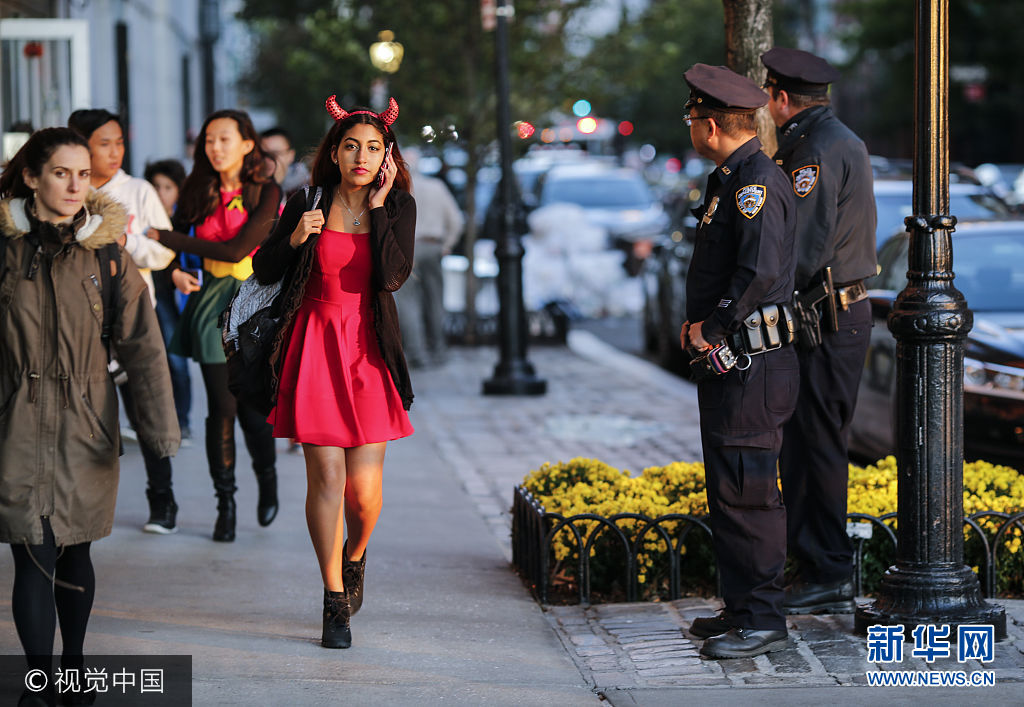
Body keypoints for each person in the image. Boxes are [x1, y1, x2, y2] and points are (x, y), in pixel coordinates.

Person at [0, 127, 179, 704]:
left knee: (74, 547)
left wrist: (157, 429)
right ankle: (37, 683)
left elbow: (143, 347)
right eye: (60, 173)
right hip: (15, 418)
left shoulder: (108, 255)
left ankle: (73, 671)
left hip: (86, 419)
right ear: (31, 176)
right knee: (32, 548)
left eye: (83, 173)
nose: (76, 185)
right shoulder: (4, 251)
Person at [252, 95, 414, 649]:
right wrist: (296, 238)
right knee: (325, 478)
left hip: (368, 349)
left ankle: (356, 555)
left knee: (364, 495)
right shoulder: (306, 201)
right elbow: (265, 267)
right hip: (316, 345)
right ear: (336, 154)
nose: (361, 157)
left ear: (386, 157)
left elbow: (393, 276)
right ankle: (332, 600)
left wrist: (382, 207)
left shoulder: (398, 208)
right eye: (351, 147)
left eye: (373, 148)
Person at [678, 64, 799, 659]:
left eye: (693, 118)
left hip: (753, 362)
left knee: (751, 493)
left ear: (712, 123)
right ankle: (741, 607)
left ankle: (765, 616)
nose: (691, 129)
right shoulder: (728, 180)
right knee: (728, 490)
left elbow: (758, 273)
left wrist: (711, 325)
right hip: (731, 365)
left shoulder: (757, 183)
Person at [760, 47, 878, 614]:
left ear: (782, 98)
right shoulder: (828, 139)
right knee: (808, 445)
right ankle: (815, 563)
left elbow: (801, 248)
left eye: (768, 96)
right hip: (831, 313)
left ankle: (827, 568)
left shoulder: (815, 150)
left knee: (818, 446)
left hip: (828, 316)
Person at [146, 110, 282, 542]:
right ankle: (226, 504)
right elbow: (166, 255)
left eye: (225, 139)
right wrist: (171, 272)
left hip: (253, 306)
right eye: (209, 139)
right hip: (208, 306)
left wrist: (167, 239)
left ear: (247, 144)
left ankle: (267, 476)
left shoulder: (266, 189)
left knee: (252, 411)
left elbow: (238, 247)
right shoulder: (196, 190)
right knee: (220, 409)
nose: (215, 147)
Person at [68, 109, 182, 535]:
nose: (115, 152)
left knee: (146, 407)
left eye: (119, 142)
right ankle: (84, 505)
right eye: (104, 143)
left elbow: (163, 252)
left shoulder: (138, 190)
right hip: (80, 323)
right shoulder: (69, 190)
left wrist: (125, 241)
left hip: (133, 318)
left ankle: (163, 500)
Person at [394, 151, 463, 368]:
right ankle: (438, 349)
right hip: (433, 246)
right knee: (435, 300)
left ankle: (417, 352)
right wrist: (447, 245)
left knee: (407, 301)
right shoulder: (437, 188)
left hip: (407, 249)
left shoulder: (397, 190)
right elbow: (457, 220)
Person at [144, 159, 194, 449]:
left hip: (172, 299)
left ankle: (182, 422)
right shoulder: (139, 220)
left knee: (175, 361)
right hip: (145, 295)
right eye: (155, 187)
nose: (160, 193)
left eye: (167, 187)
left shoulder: (183, 223)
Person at [261, 127, 310, 200]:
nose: (268, 159)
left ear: (291, 155)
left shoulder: (309, 192)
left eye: (275, 153)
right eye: (263, 154)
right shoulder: (249, 189)